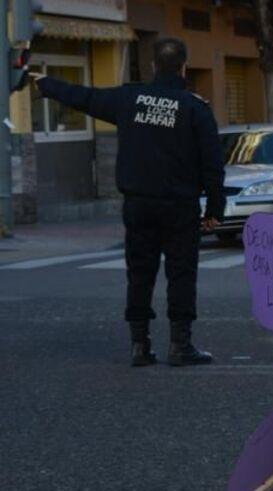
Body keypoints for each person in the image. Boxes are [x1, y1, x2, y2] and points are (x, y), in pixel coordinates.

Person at [34, 37, 222, 367]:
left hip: (138, 204)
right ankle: (180, 346)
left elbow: (86, 98)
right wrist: (215, 210)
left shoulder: (129, 98)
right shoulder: (196, 108)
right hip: (180, 207)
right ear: (183, 67)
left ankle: (139, 345)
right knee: (181, 273)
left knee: (140, 272)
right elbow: (212, 165)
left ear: (153, 66)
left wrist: (46, 84)